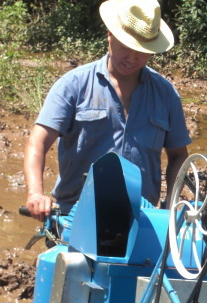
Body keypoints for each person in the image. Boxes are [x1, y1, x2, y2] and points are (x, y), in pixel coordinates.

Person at [23, 0, 191, 222]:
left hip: (141, 218)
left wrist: (172, 201)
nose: (132, 58)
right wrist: (35, 193)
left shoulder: (165, 93)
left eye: (141, 52)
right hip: (74, 215)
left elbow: (178, 155)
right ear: (110, 35)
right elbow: (38, 142)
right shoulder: (74, 84)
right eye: (125, 47)